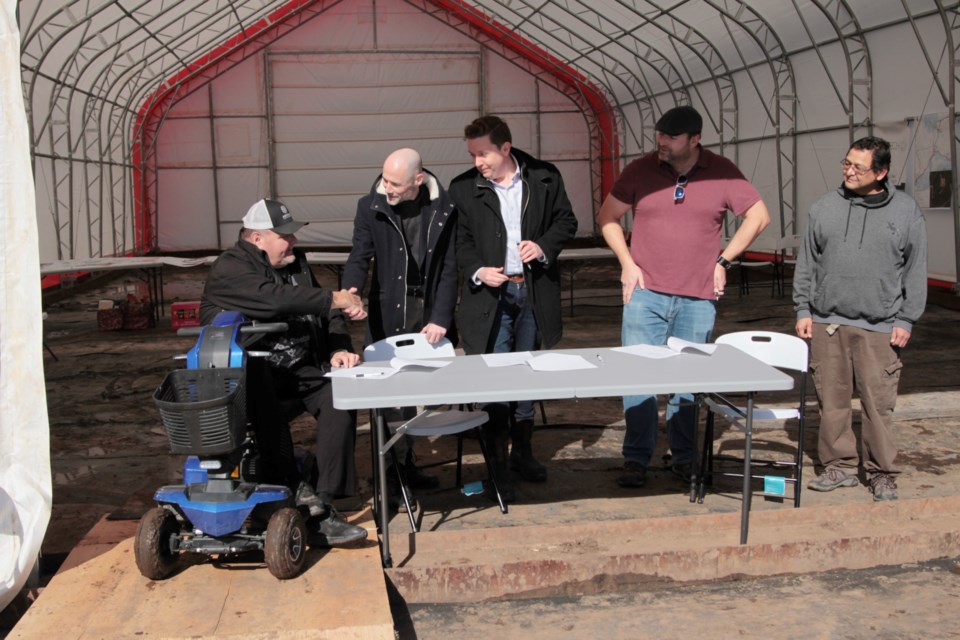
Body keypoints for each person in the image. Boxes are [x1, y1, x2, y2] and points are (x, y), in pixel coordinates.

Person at [596, 105, 771, 489]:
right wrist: (627, 263)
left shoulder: (722, 171)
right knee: (637, 378)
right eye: (659, 135)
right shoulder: (641, 170)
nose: (662, 142)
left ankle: (685, 457)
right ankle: (636, 459)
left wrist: (724, 260)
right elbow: (607, 216)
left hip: (697, 297)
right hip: (646, 295)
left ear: (695, 139)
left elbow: (759, 216)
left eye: (671, 137)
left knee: (688, 381)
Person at [200, 198, 369, 546]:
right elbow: (274, 298)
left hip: (299, 368)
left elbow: (326, 310)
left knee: (341, 396)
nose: (293, 243)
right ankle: (293, 491)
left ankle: (322, 502)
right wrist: (333, 299)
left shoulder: (296, 262)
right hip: (250, 376)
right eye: (285, 236)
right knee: (263, 397)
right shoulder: (230, 267)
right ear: (258, 238)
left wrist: (340, 347)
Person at [449, 115, 578, 501]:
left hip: (532, 292)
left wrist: (543, 247)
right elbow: (458, 240)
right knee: (494, 376)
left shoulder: (544, 177)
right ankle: (496, 464)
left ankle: (523, 452)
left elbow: (566, 221)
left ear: (505, 148)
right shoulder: (463, 188)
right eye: (472, 154)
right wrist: (476, 270)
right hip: (490, 297)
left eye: (483, 153)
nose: (477, 162)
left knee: (526, 373)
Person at [794, 136, 928, 501]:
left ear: (881, 172)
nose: (849, 171)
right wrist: (803, 309)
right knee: (832, 401)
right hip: (827, 323)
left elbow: (916, 269)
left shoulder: (905, 212)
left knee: (878, 405)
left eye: (859, 167)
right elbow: (806, 262)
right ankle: (838, 467)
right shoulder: (824, 208)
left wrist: (906, 318)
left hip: (880, 326)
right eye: (846, 164)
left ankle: (882, 472)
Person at [342, 148, 458, 504]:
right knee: (390, 393)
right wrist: (351, 291)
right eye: (384, 179)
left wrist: (441, 316)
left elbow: (450, 265)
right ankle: (392, 472)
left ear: (417, 181)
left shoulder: (444, 207)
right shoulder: (370, 205)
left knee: (420, 388)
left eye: (395, 184)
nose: (387, 188)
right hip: (388, 307)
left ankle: (407, 461)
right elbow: (360, 254)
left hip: (427, 309)